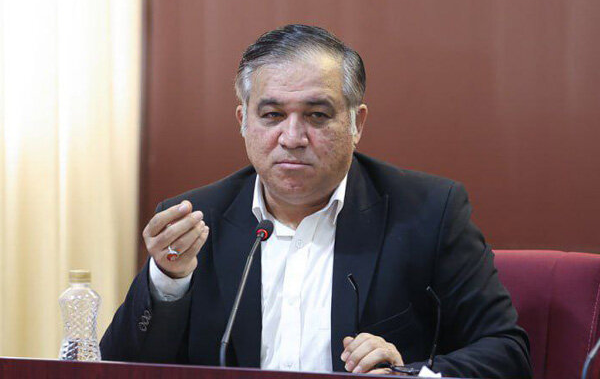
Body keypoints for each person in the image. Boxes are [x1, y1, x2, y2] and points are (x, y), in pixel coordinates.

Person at [100, 24, 532, 378]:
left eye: (317, 115)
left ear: (356, 123)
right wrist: (167, 281)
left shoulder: (428, 213)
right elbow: (118, 367)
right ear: (243, 121)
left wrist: (407, 374)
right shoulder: (194, 220)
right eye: (272, 115)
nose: (292, 137)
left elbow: (505, 352)